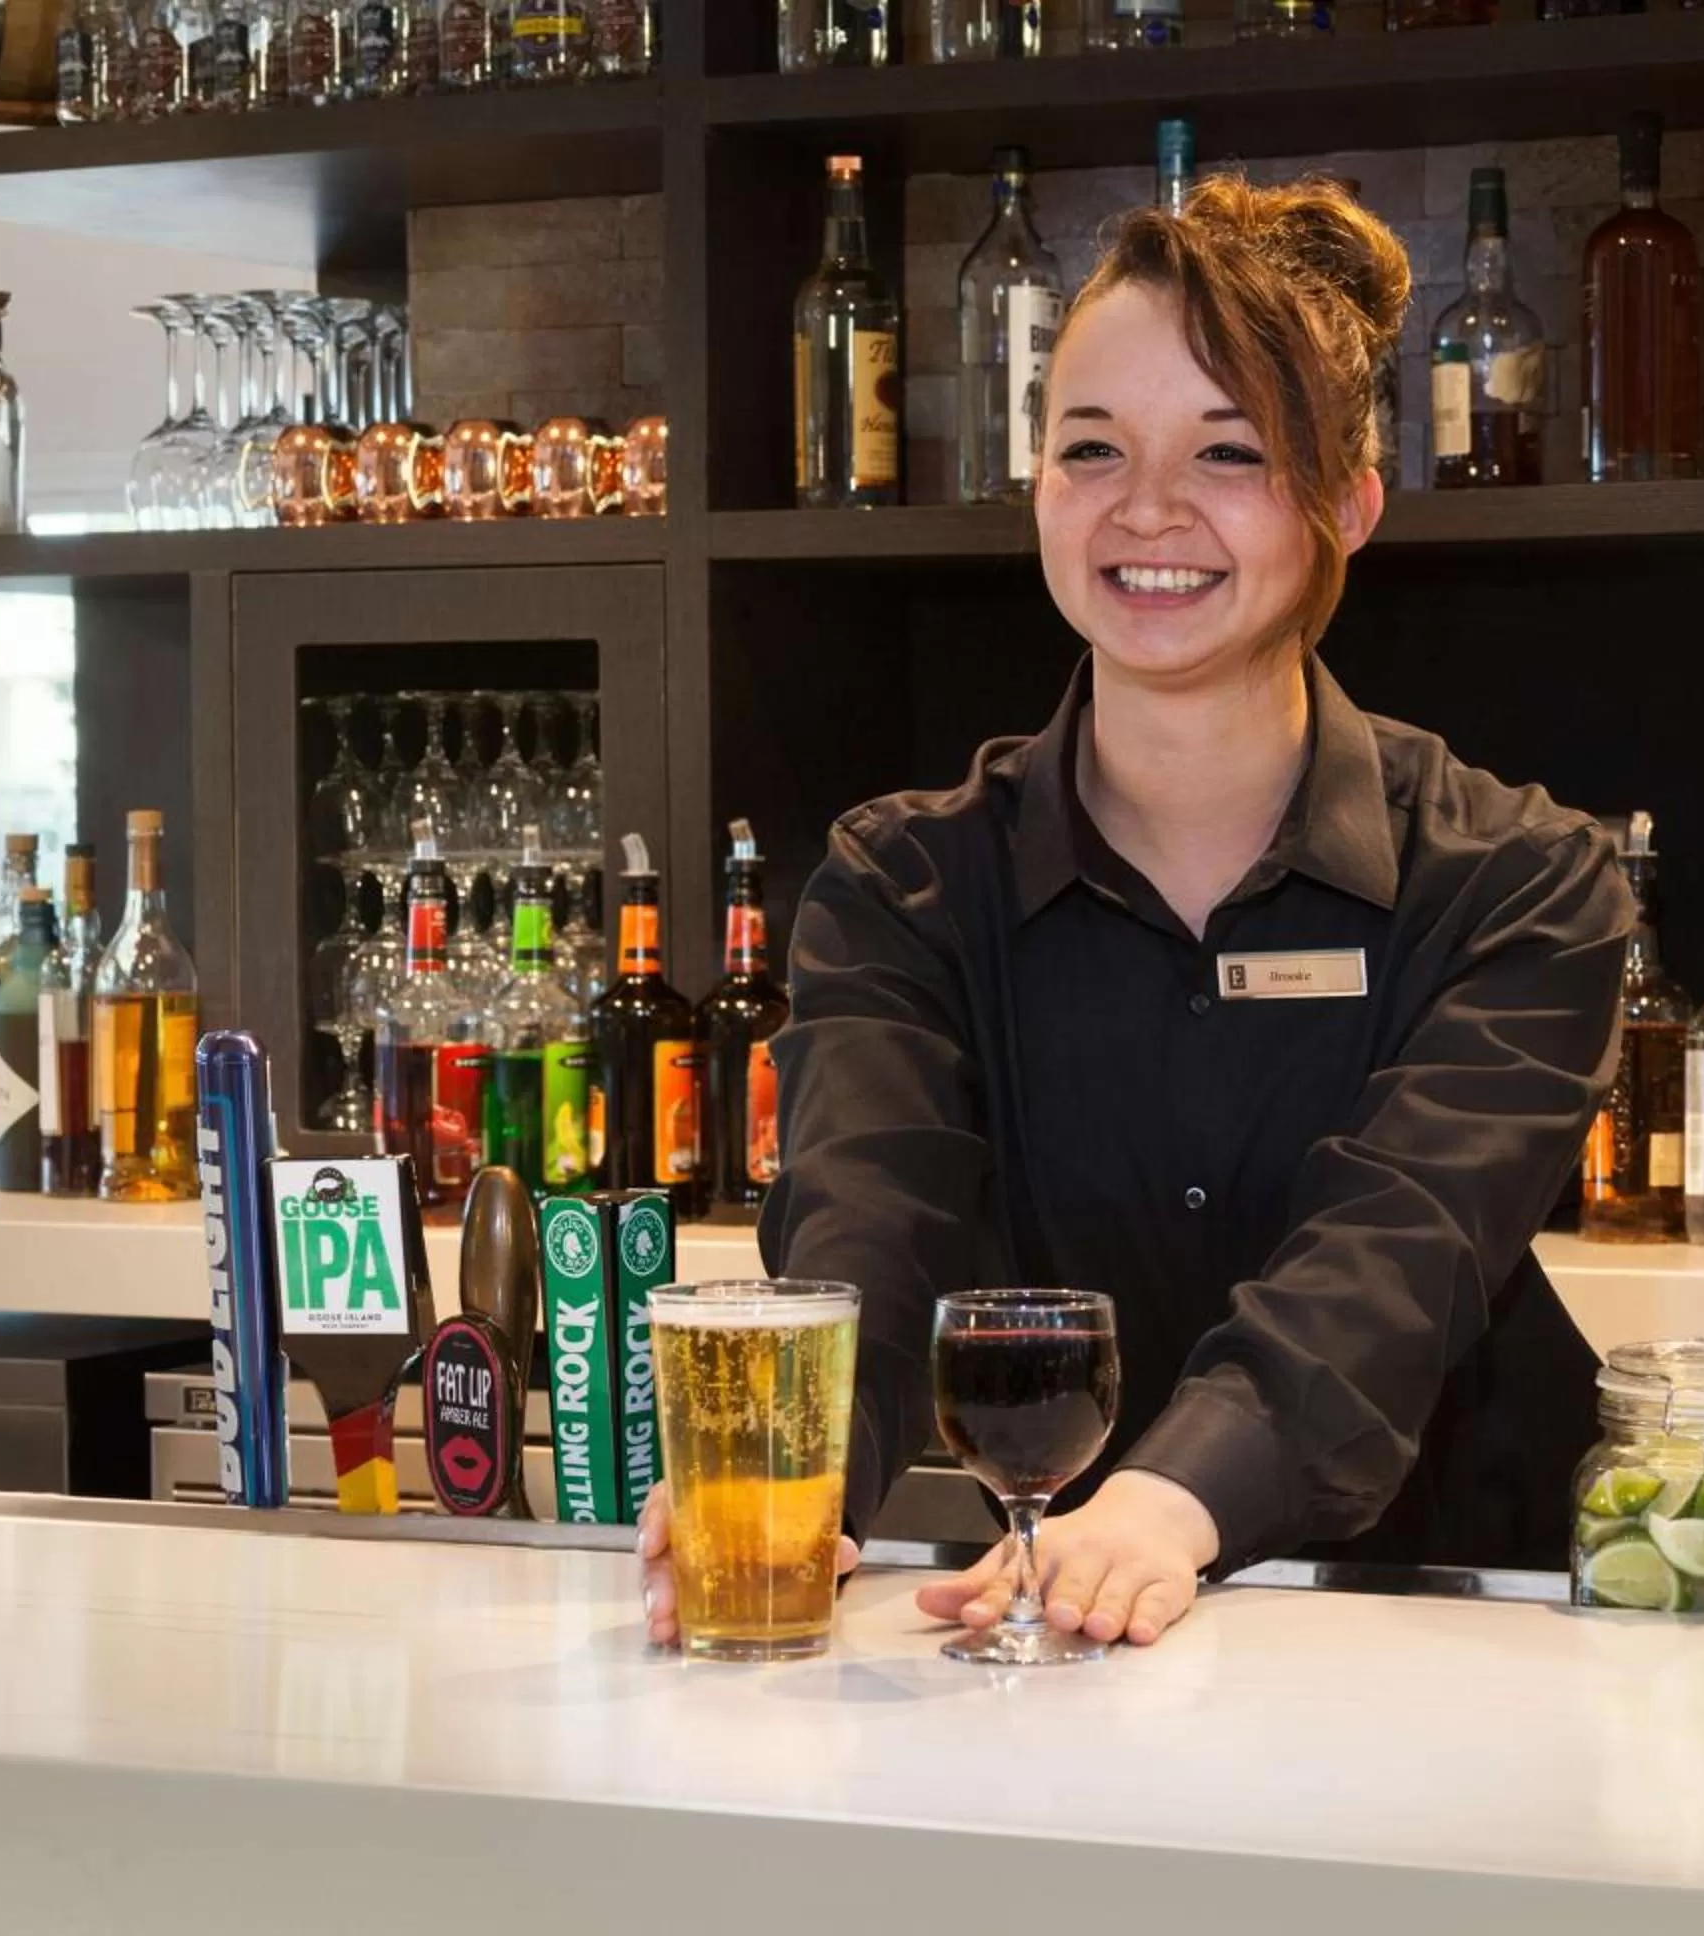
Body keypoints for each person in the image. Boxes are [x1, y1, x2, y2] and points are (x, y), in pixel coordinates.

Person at [641, 175, 1630, 1650]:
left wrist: (1169, 1501)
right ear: (1035, 485)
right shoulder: (906, 890)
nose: (1147, 510)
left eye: (1229, 454)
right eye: (1090, 449)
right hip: (1061, 1624)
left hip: (1457, 1629)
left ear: (1346, 505)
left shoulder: (1518, 885)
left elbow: (1400, 1251)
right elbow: (873, 1210)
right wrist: (800, 1481)